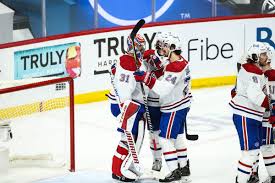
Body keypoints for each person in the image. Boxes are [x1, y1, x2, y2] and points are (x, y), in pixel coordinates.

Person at [134, 32, 192, 182]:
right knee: (177, 137)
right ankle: (182, 166)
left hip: (172, 106)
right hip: (180, 103)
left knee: (164, 139)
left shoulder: (175, 66)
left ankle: (174, 171)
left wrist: (146, 78)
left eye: (164, 45)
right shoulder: (181, 60)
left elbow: (163, 88)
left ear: (172, 48)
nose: (161, 47)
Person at [229, 42, 270, 183]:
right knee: (250, 153)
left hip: (251, 115)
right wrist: (271, 105)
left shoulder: (252, 70)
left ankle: (249, 177)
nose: (266, 56)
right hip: (246, 115)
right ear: (256, 56)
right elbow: (256, 96)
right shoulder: (252, 71)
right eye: (263, 54)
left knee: (252, 151)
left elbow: (235, 91)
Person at [110, 33, 149, 182]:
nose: (142, 48)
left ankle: (131, 164)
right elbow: (125, 92)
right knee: (127, 139)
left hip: (135, 106)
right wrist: (126, 114)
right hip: (127, 107)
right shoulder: (127, 64)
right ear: (132, 46)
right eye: (139, 45)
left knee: (137, 137)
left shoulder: (134, 61)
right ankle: (118, 170)